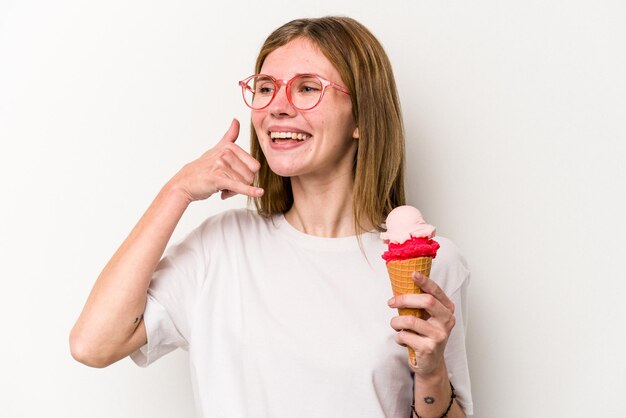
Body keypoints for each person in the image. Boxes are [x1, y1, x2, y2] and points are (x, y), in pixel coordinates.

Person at [70, 16, 473, 418]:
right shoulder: (222, 246)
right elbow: (93, 345)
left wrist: (433, 373)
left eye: (308, 88)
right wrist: (177, 191)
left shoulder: (432, 262)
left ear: (362, 119)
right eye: (265, 89)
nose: (278, 107)